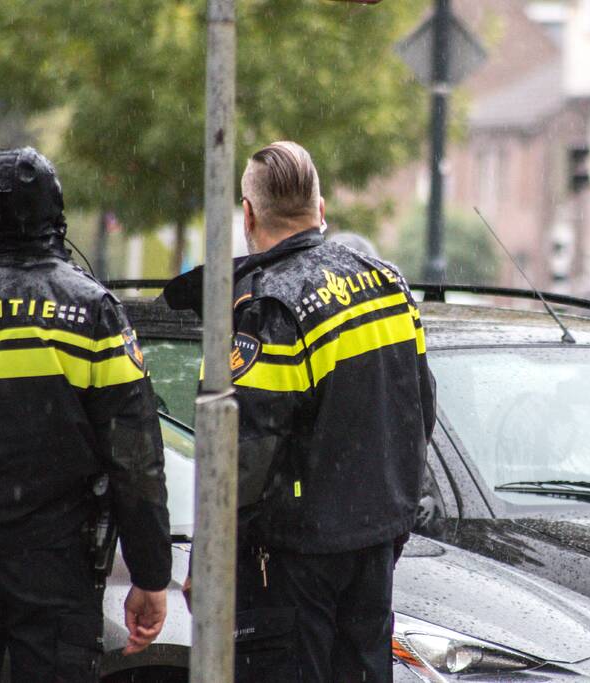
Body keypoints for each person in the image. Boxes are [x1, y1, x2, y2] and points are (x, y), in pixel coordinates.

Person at [167, 141, 435, 682]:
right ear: (320, 207)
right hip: (373, 547)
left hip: (293, 566)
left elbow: (244, 454)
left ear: (248, 214)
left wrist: (208, 560)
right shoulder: (386, 281)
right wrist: (392, 518)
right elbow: (421, 408)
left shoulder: (267, 306)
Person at [0, 148, 172, 681]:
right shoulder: (91, 311)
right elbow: (135, 457)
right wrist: (150, 574)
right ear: (58, 214)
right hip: (53, 569)